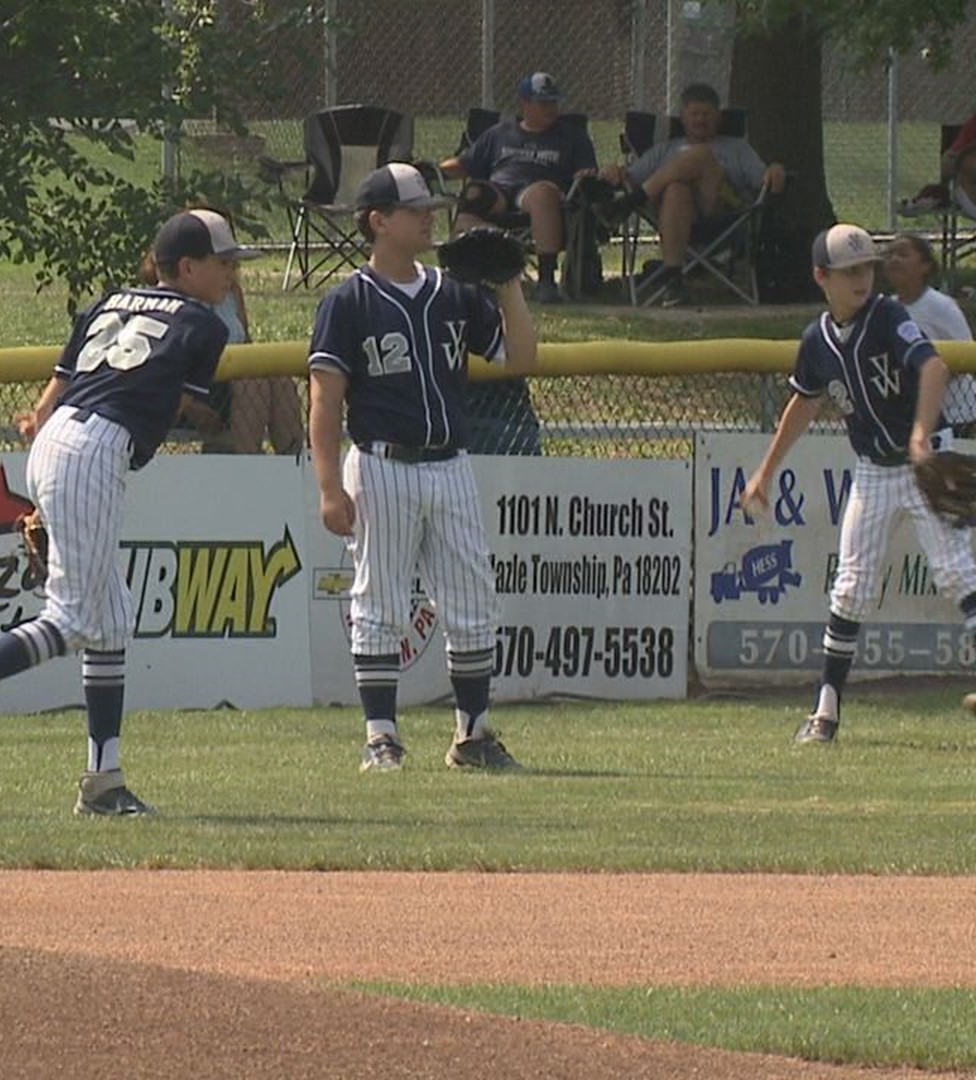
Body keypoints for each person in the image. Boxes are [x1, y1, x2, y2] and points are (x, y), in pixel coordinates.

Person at [0, 208, 259, 815]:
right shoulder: (203, 323)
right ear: (187, 267)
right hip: (96, 448)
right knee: (77, 618)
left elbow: (58, 384)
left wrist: (44, 447)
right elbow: (189, 409)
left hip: (58, 438)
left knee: (110, 620)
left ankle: (104, 782)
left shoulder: (113, 300)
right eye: (224, 264)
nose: (233, 276)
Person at [308, 162, 540, 773]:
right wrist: (329, 487)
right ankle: (381, 735)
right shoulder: (348, 301)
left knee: (471, 601)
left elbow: (519, 357)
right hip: (382, 463)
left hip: (450, 463)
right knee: (380, 602)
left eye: (429, 208)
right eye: (415, 210)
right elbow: (325, 401)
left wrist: (510, 284)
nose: (428, 217)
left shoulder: (453, 292)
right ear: (378, 221)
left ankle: (473, 734)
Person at [741, 225, 976, 745]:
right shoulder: (816, 341)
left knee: (958, 574)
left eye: (867, 268)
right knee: (850, 589)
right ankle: (824, 714)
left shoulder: (888, 316)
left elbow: (934, 368)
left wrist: (919, 436)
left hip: (922, 462)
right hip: (873, 471)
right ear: (821, 277)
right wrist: (766, 470)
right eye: (849, 272)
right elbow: (804, 402)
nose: (862, 279)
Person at [597, 83, 787, 307]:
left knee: (701, 155)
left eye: (706, 114)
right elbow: (629, 178)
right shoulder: (665, 148)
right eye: (694, 114)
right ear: (683, 118)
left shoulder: (737, 147)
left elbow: (768, 182)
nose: (700, 120)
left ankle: (628, 205)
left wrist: (776, 169)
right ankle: (674, 282)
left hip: (723, 215)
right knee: (676, 189)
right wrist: (612, 171)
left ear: (718, 117)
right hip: (674, 218)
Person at [440, 72, 596, 305]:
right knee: (474, 193)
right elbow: (465, 164)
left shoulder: (572, 136)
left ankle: (546, 281)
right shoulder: (499, 133)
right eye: (543, 103)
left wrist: (589, 174)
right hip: (501, 189)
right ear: (524, 104)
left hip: (540, 194)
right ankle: (462, 270)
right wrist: (432, 170)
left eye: (553, 102)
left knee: (542, 194)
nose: (550, 108)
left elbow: (586, 172)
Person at [139, 250, 303, 455]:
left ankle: (294, 465)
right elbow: (160, 368)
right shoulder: (170, 300)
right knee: (252, 384)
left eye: (230, 264)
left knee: (280, 379)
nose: (230, 271)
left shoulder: (232, 293)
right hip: (191, 393)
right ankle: (246, 466)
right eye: (222, 263)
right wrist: (194, 409)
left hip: (234, 385)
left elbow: (246, 343)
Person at [882, 233, 976, 433]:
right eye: (889, 254)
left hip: (955, 415)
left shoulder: (940, 306)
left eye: (903, 254)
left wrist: (926, 374)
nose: (894, 259)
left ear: (925, 266)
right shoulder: (886, 309)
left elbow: (966, 358)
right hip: (910, 416)